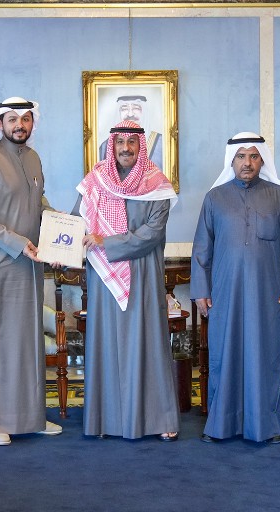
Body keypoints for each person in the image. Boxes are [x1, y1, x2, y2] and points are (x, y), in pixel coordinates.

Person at [0, 97, 62, 446]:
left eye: (26, 119)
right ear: (0, 123)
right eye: (13, 119)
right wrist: (17, 242)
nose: (20, 125)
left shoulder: (33, 157)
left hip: (30, 267)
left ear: (33, 123)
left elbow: (38, 203)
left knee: (28, 344)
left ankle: (31, 417)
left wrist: (61, 229)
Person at [191, 132, 280, 444]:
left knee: (265, 357)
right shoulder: (214, 198)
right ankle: (221, 425)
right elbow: (201, 250)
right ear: (232, 160)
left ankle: (267, 426)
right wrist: (200, 291)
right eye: (241, 156)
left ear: (262, 159)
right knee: (224, 356)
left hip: (269, 295)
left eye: (254, 156)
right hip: (224, 294)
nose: (247, 163)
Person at [76, 121, 179, 441]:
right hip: (104, 281)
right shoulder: (95, 181)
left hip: (143, 276)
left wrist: (106, 241)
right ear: (111, 145)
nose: (125, 148)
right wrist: (59, 249)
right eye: (119, 142)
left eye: (131, 142)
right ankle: (105, 421)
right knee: (107, 345)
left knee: (147, 345)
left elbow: (152, 233)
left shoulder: (157, 184)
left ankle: (159, 420)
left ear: (140, 146)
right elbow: (76, 224)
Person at [98, 95, 163, 169]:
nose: (130, 114)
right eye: (124, 109)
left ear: (144, 112)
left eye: (136, 108)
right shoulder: (105, 146)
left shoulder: (161, 143)